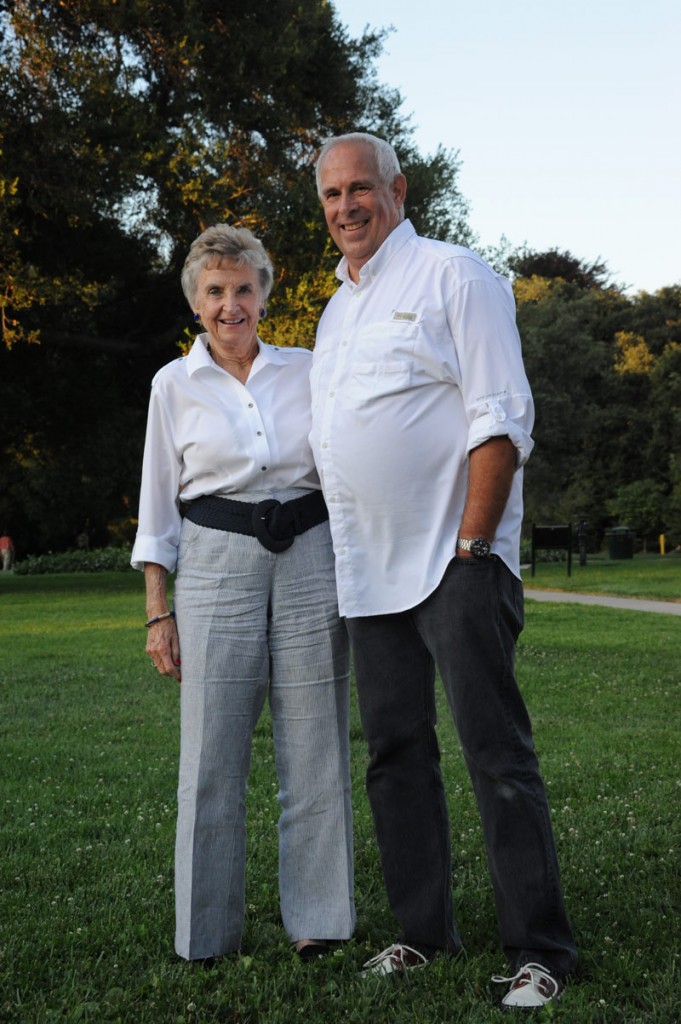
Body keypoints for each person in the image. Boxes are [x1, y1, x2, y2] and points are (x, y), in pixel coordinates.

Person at [310, 132, 577, 1008]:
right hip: (369, 577)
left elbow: (499, 419)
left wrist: (471, 550)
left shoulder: (455, 275)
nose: (345, 207)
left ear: (396, 189)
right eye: (330, 196)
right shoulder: (334, 310)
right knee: (395, 757)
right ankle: (421, 933)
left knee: (495, 755)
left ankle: (539, 951)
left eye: (359, 189)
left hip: (453, 564)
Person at [131, 224, 354, 963]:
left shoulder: (309, 370)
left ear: (266, 291)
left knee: (315, 743)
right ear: (197, 302)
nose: (231, 305)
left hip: (309, 555)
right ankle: (206, 934)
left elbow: (345, 464)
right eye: (215, 291)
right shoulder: (174, 384)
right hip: (216, 562)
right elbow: (158, 508)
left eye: (243, 288)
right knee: (210, 755)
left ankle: (318, 923)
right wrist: (158, 610)